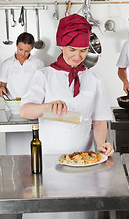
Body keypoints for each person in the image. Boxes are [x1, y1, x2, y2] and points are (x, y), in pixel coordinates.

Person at [20, 14, 114, 219]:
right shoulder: (44, 75)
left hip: (84, 164)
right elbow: (25, 110)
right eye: (72, 49)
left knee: (79, 214)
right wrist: (47, 106)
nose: (78, 56)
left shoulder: (94, 80)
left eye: (83, 50)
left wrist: (101, 144)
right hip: (49, 164)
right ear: (62, 46)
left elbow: (99, 119)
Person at [0, 32, 45, 155]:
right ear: (16, 45)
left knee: (32, 147)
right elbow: (2, 86)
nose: (22, 54)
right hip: (12, 110)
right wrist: (1, 91)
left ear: (32, 49)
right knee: (14, 148)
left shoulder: (38, 64)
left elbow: (42, 86)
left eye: (27, 51)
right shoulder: (7, 64)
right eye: (20, 49)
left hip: (32, 109)